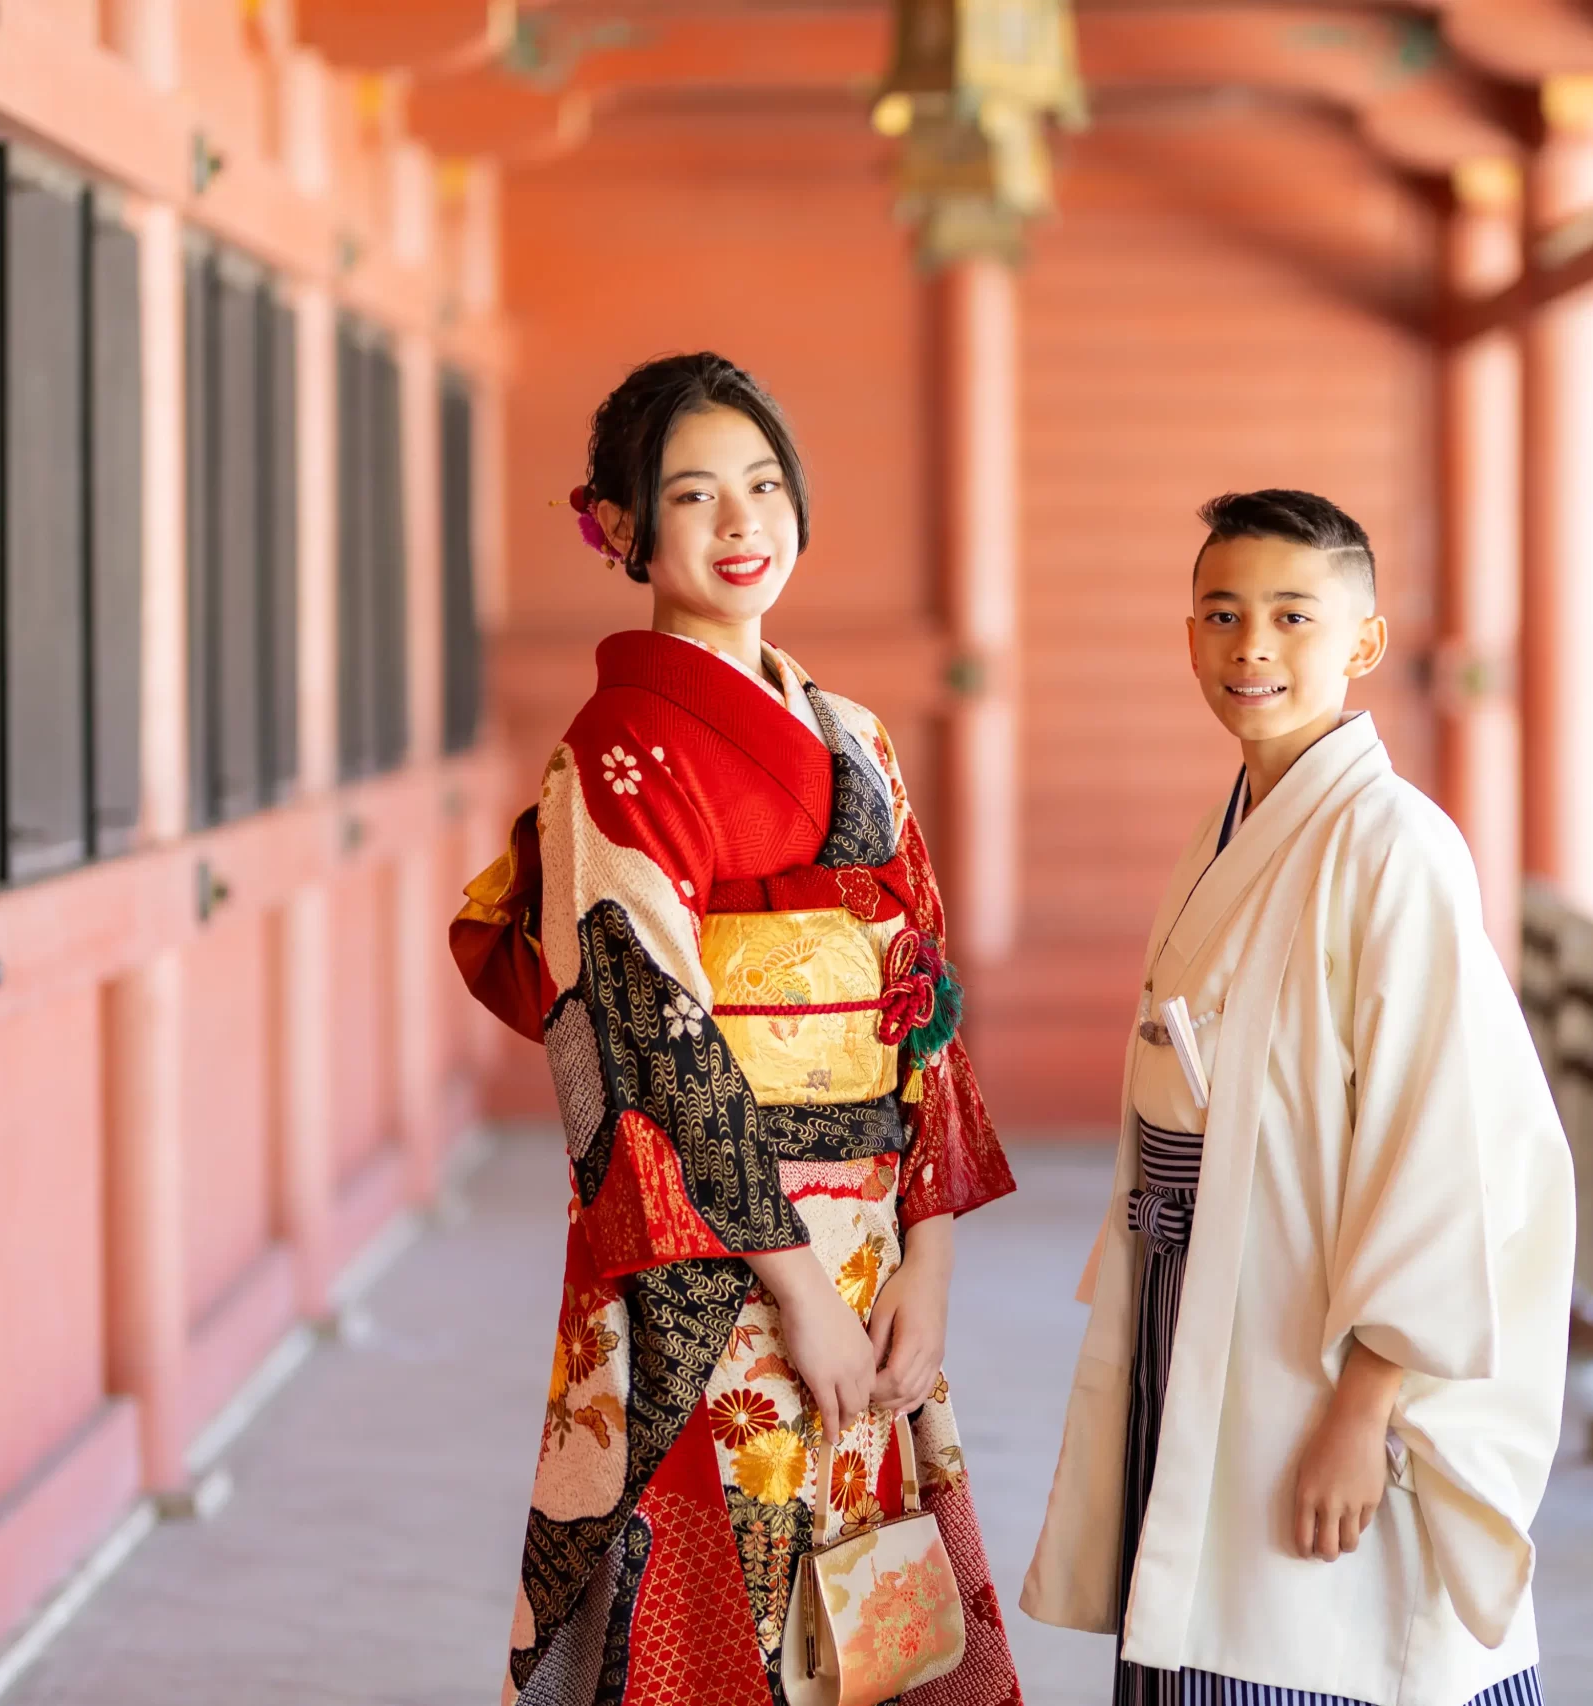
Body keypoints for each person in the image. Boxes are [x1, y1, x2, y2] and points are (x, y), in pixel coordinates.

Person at [451, 352, 1024, 1706]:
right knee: (724, 1593)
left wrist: (927, 1258)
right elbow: (649, 1038)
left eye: (764, 485)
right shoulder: (616, 752)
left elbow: (921, 993)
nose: (740, 522)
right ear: (622, 528)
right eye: (692, 494)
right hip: (717, 1256)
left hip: (872, 1240)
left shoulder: (856, 735)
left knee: (868, 1598)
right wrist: (801, 1293)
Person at [1020, 490, 1575, 1706]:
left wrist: (1364, 1407)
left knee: (1316, 1622)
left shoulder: (1395, 844)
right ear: (1188, 638)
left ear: (1363, 641)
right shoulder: (1232, 826)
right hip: (1196, 1288)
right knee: (1200, 1605)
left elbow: (1443, 1143)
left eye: (1290, 615)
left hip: (1317, 1331)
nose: (1252, 646)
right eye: (1223, 614)